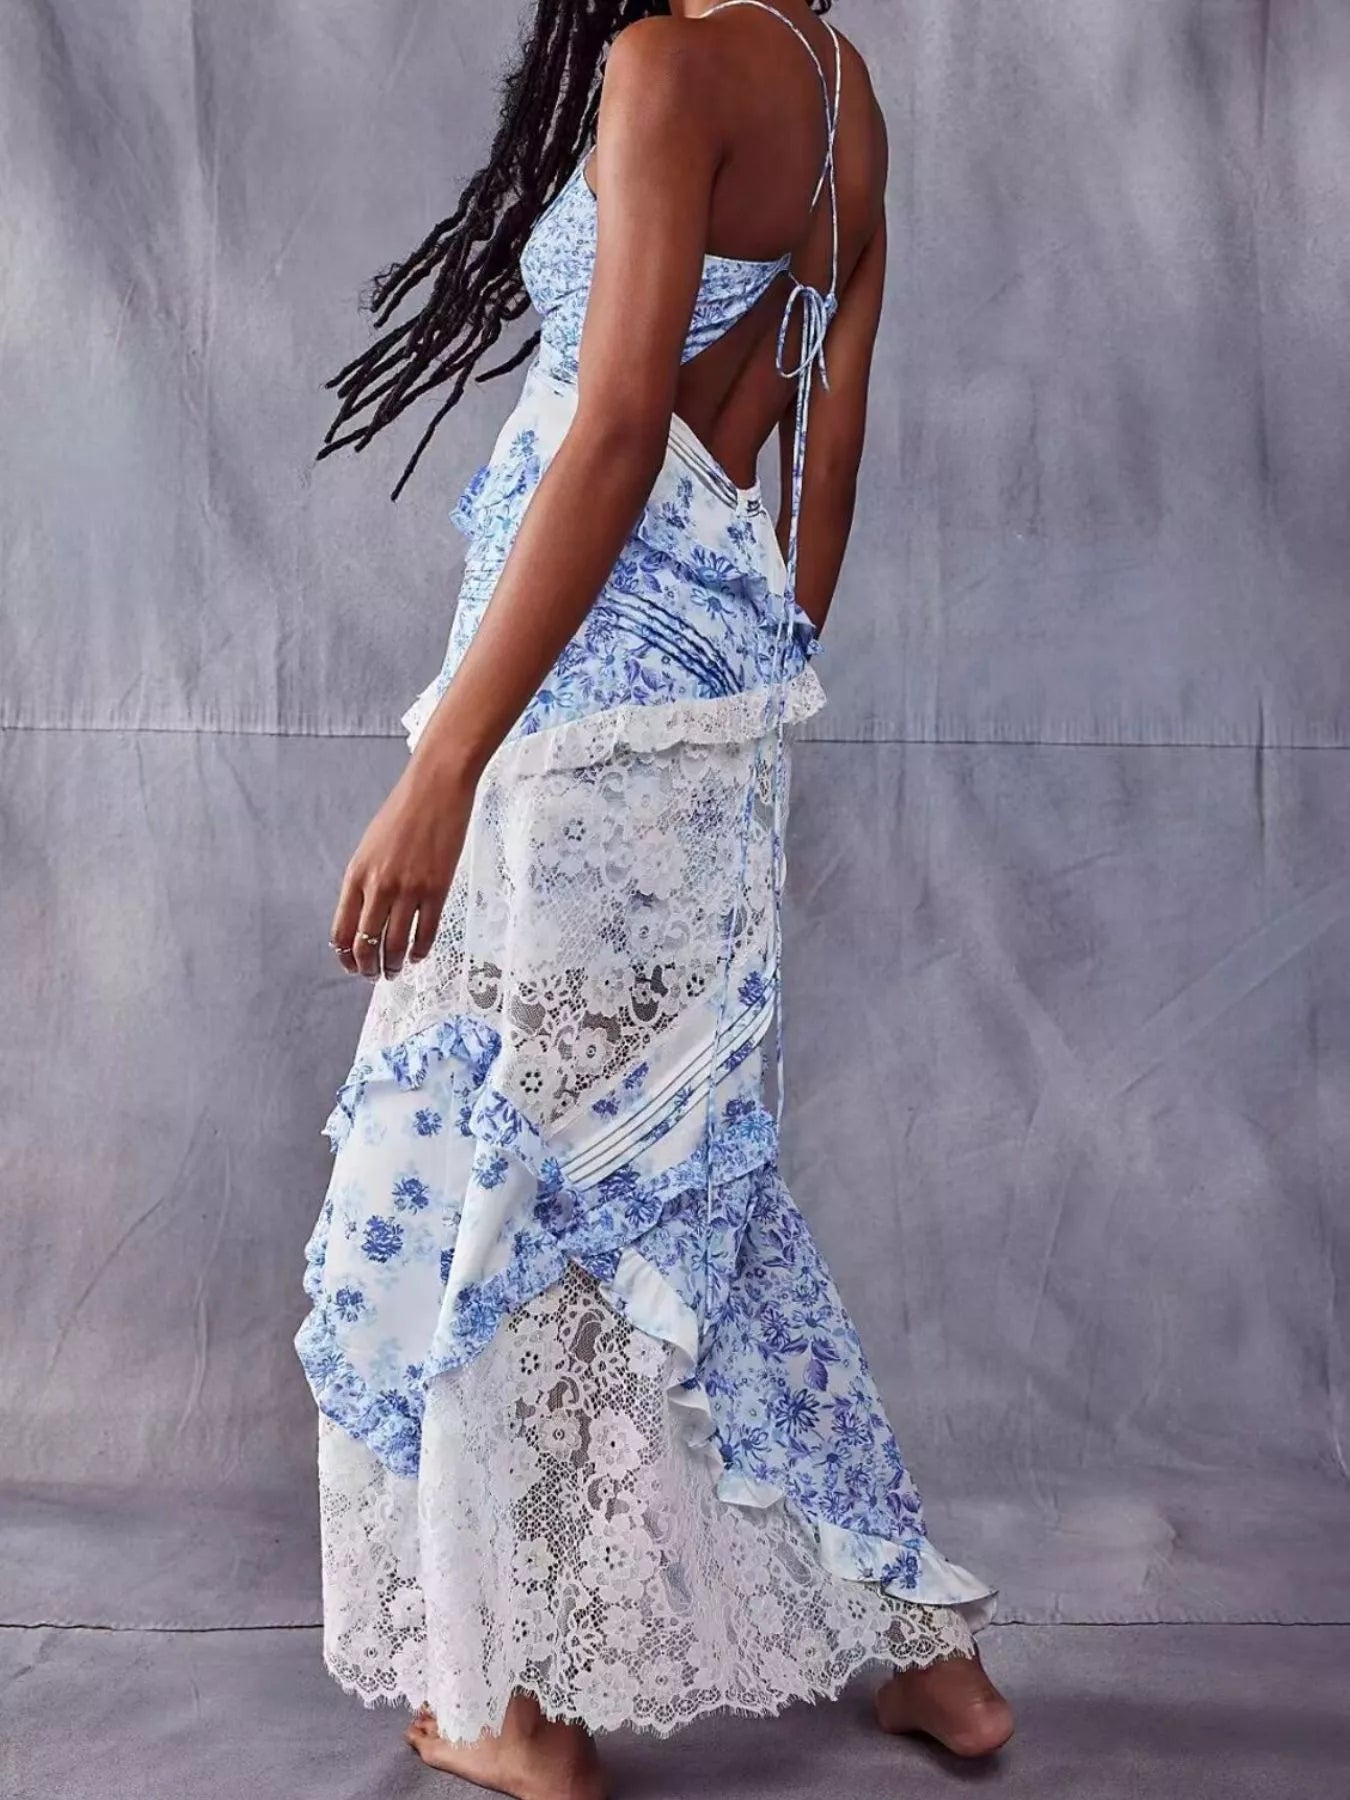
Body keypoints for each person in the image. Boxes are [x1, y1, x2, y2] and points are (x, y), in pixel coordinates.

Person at [295, 2, 1013, 1794]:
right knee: (674, 1167)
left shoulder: (664, 64)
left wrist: (446, 762)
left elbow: (614, 429)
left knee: (511, 1161)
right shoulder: (839, 89)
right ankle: (929, 1652)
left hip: (567, 689)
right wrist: (750, 683)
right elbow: (822, 440)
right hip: (709, 684)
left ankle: (519, 1711)